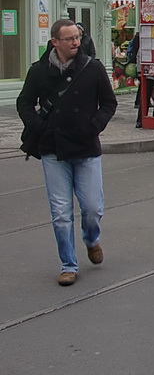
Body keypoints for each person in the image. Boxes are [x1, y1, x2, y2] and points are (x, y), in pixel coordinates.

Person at [16, 19, 117, 286]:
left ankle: (91, 239)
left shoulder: (92, 68)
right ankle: (68, 264)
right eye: (69, 38)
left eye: (77, 37)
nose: (75, 42)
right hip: (53, 149)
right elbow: (24, 102)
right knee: (61, 212)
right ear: (55, 42)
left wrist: (93, 126)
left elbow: (109, 103)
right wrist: (39, 127)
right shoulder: (39, 71)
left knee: (92, 208)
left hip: (86, 147)